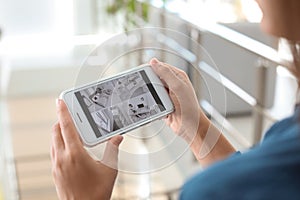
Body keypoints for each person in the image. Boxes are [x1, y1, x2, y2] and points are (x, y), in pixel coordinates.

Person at [50, 0, 300, 199]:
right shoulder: (286, 131)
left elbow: (240, 186)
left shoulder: (208, 191)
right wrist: (196, 128)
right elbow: (252, 183)